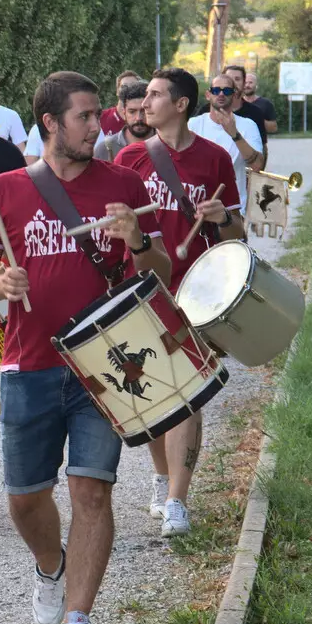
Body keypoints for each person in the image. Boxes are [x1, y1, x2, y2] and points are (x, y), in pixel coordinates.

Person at [0, 71, 169, 624]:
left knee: (92, 491)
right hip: (27, 363)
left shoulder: (123, 183)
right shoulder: (5, 189)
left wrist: (136, 238)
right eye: (84, 116)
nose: (96, 124)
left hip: (102, 363)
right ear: (51, 123)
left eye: (97, 113)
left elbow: (157, 267)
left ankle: (79, 618)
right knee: (25, 500)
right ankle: (50, 566)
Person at [115, 68, 243, 535]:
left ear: (182, 104)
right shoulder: (128, 158)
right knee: (147, 395)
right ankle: (162, 475)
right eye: (143, 96)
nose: (143, 103)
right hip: (140, 289)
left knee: (188, 396)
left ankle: (176, 501)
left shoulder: (215, 159)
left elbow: (238, 234)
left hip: (194, 291)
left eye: (153, 95)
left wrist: (224, 215)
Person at [189, 71, 264, 200]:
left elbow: (257, 166)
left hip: (235, 207)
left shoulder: (248, 125)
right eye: (216, 90)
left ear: (234, 95)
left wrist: (234, 134)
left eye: (227, 91)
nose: (221, 94)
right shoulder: (193, 124)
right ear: (208, 95)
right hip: (199, 203)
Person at [92, 78, 154, 161]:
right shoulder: (105, 149)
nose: (139, 118)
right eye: (132, 112)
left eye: (144, 111)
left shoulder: (168, 143)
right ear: (124, 113)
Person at [223, 64, 270, 163]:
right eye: (229, 79)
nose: (233, 83)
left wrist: (258, 173)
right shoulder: (207, 111)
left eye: (237, 79)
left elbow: (262, 147)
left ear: (244, 83)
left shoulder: (255, 113)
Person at [100, 71, 141, 137]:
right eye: (124, 86)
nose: (128, 89)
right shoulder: (100, 118)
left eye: (133, 86)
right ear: (117, 91)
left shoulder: (145, 120)